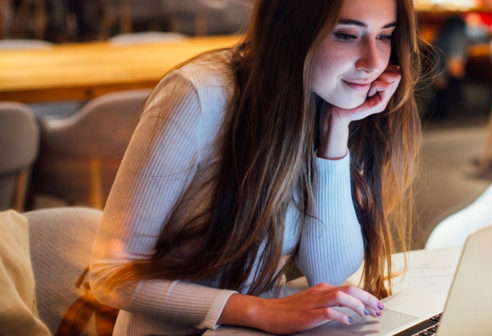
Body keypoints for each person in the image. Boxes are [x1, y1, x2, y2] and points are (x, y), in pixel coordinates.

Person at [88, 0, 428, 334]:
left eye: (384, 36)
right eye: (345, 35)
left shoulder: (330, 99)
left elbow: (330, 272)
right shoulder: (200, 95)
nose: (372, 63)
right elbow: (109, 275)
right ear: (287, 29)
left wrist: (336, 129)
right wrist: (260, 310)